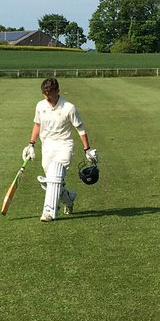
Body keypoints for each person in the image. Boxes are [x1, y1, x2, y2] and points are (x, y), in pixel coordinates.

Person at [22, 77, 95, 222]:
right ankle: (69, 198)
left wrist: (87, 149)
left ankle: (49, 212)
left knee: (54, 176)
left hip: (64, 145)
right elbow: (37, 124)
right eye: (45, 95)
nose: (48, 98)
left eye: (51, 95)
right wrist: (31, 144)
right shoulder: (40, 106)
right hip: (47, 146)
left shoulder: (69, 107)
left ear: (58, 91)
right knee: (53, 181)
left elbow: (80, 128)